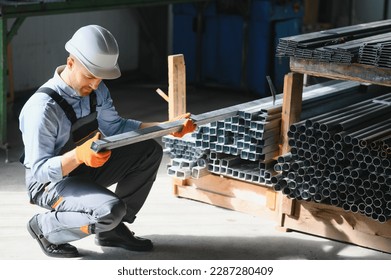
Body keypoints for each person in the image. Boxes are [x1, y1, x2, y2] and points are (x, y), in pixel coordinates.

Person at [19, 24, 196, 258]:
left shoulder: (96, 89)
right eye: (90, 76)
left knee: (148, 150)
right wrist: (79, 155)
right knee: (109, 210)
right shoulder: (42, 109)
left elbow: (118, 128)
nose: (95, 84)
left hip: (84, 167)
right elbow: (40, 171)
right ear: (70, 63)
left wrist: (167, 127)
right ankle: (45, 228)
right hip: (50, 184)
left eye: (100, 78)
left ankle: (111, 231)